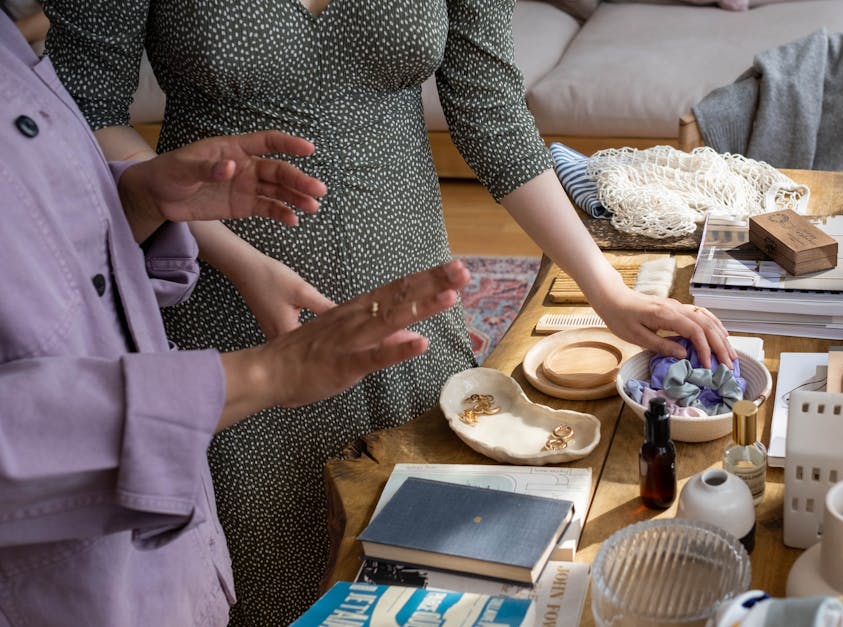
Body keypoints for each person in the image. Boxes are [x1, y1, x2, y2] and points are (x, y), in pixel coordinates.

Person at [42, 1, 737, 623]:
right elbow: (81, 114)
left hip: (412, 315)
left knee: (446, 585)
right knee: (274, 589)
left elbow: (489, 105)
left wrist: (605, 290)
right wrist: (242, 262)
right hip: (231, 324)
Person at [0, 13, 471, 625]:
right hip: (62, 570)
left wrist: (140, 200)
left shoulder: (16, 55)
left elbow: (63, 259)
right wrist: (262, 375)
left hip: (152, 546)